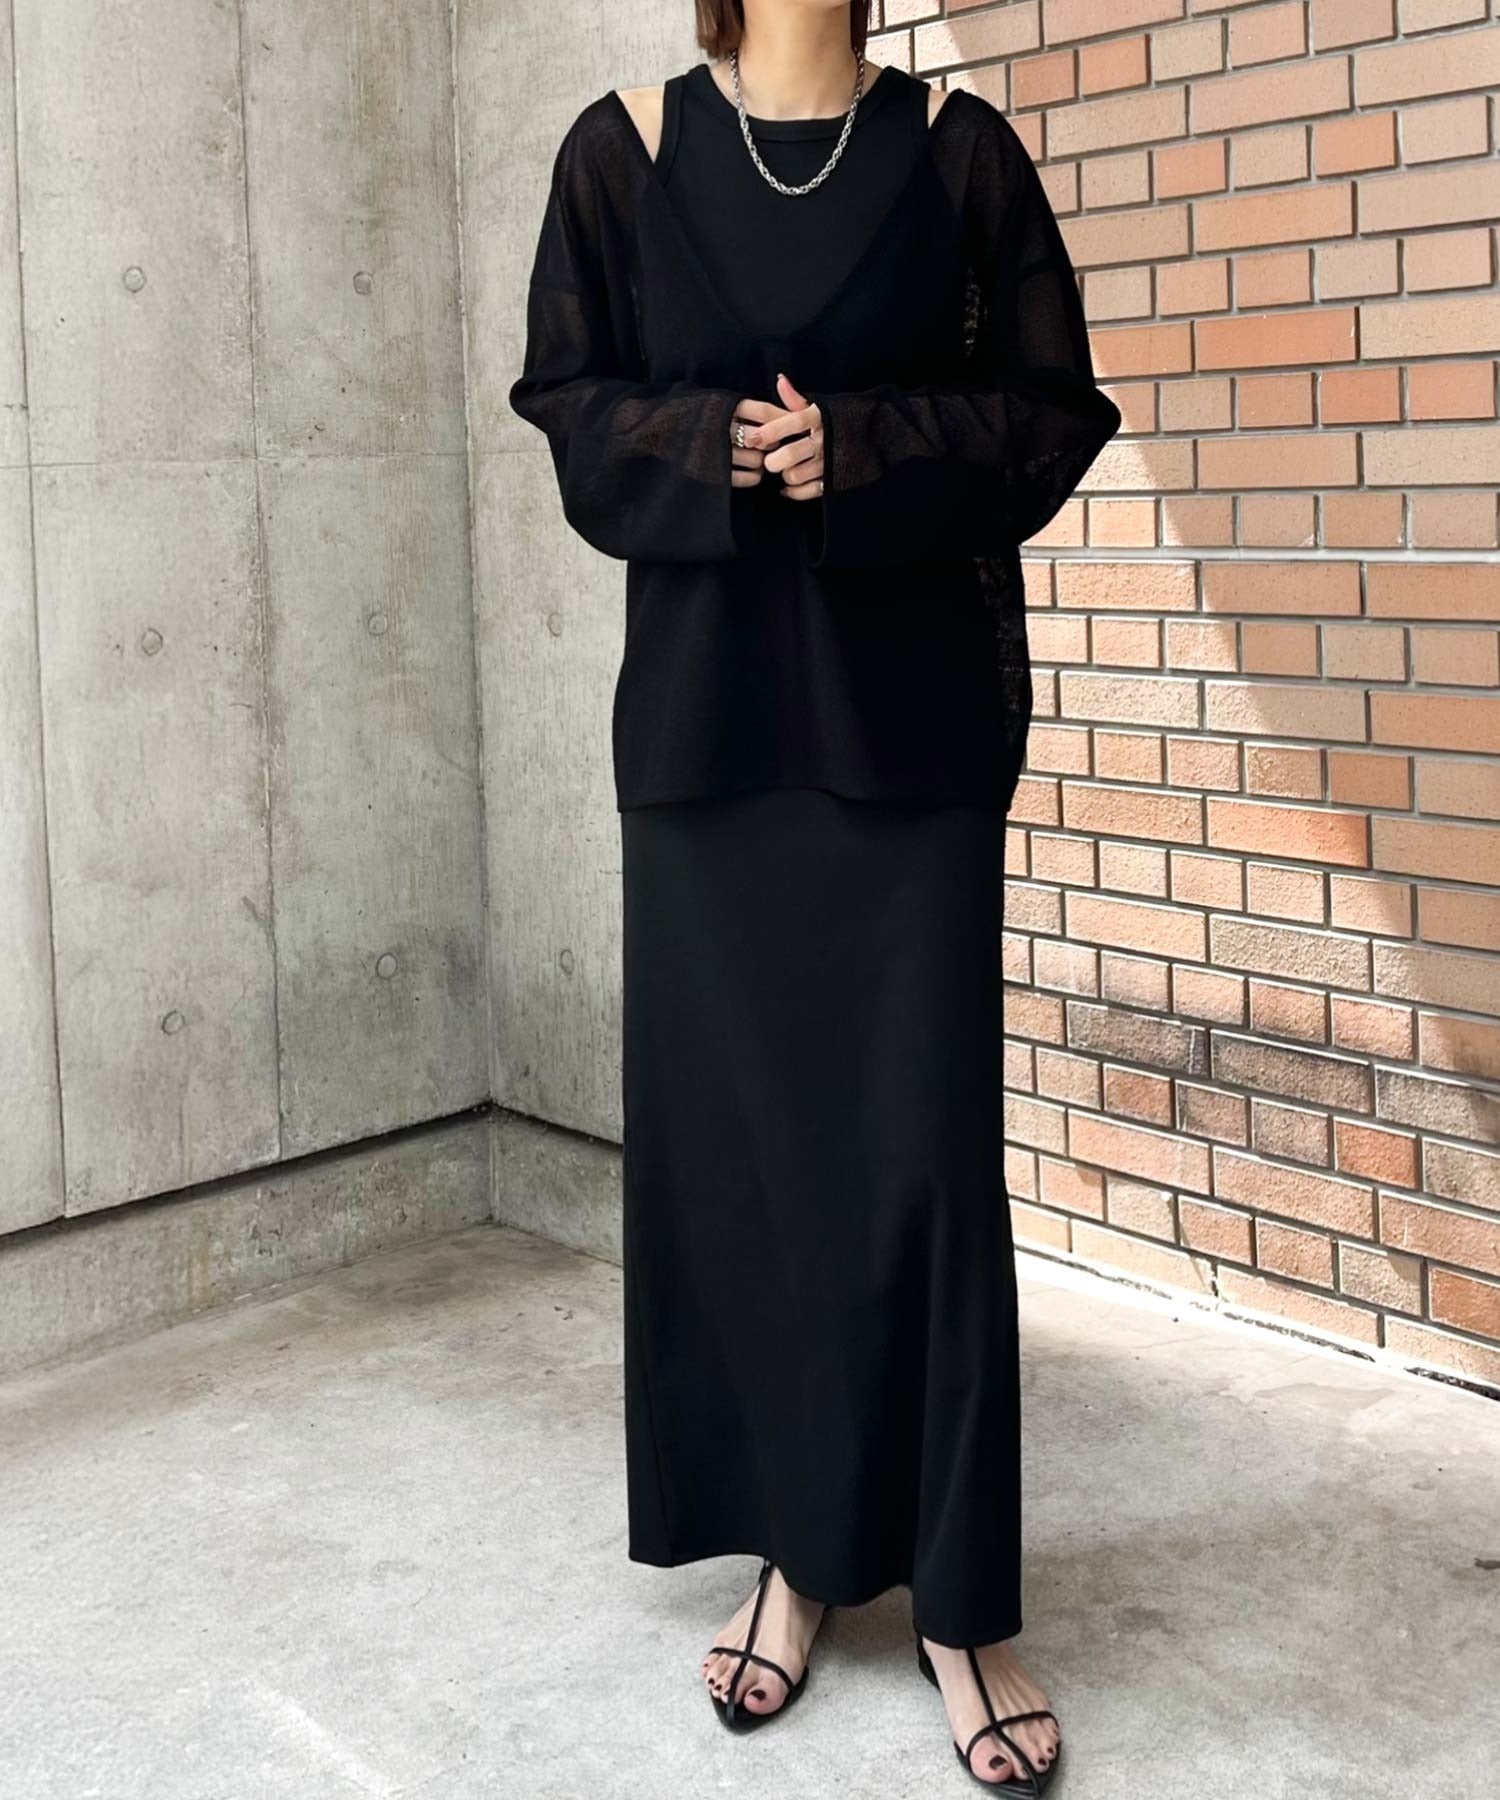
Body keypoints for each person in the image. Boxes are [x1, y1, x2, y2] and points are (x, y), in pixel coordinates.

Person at [508, 0, 1119, 1788]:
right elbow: (568, 404)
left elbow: (1050, 412)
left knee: (921, 1168)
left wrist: (865, 447)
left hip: (908, 744)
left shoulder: (960, 158)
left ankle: (960, 1607)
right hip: (707, 746)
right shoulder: (621, 153)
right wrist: (708, 444)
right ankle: (795, 1558)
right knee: (754, 1168)